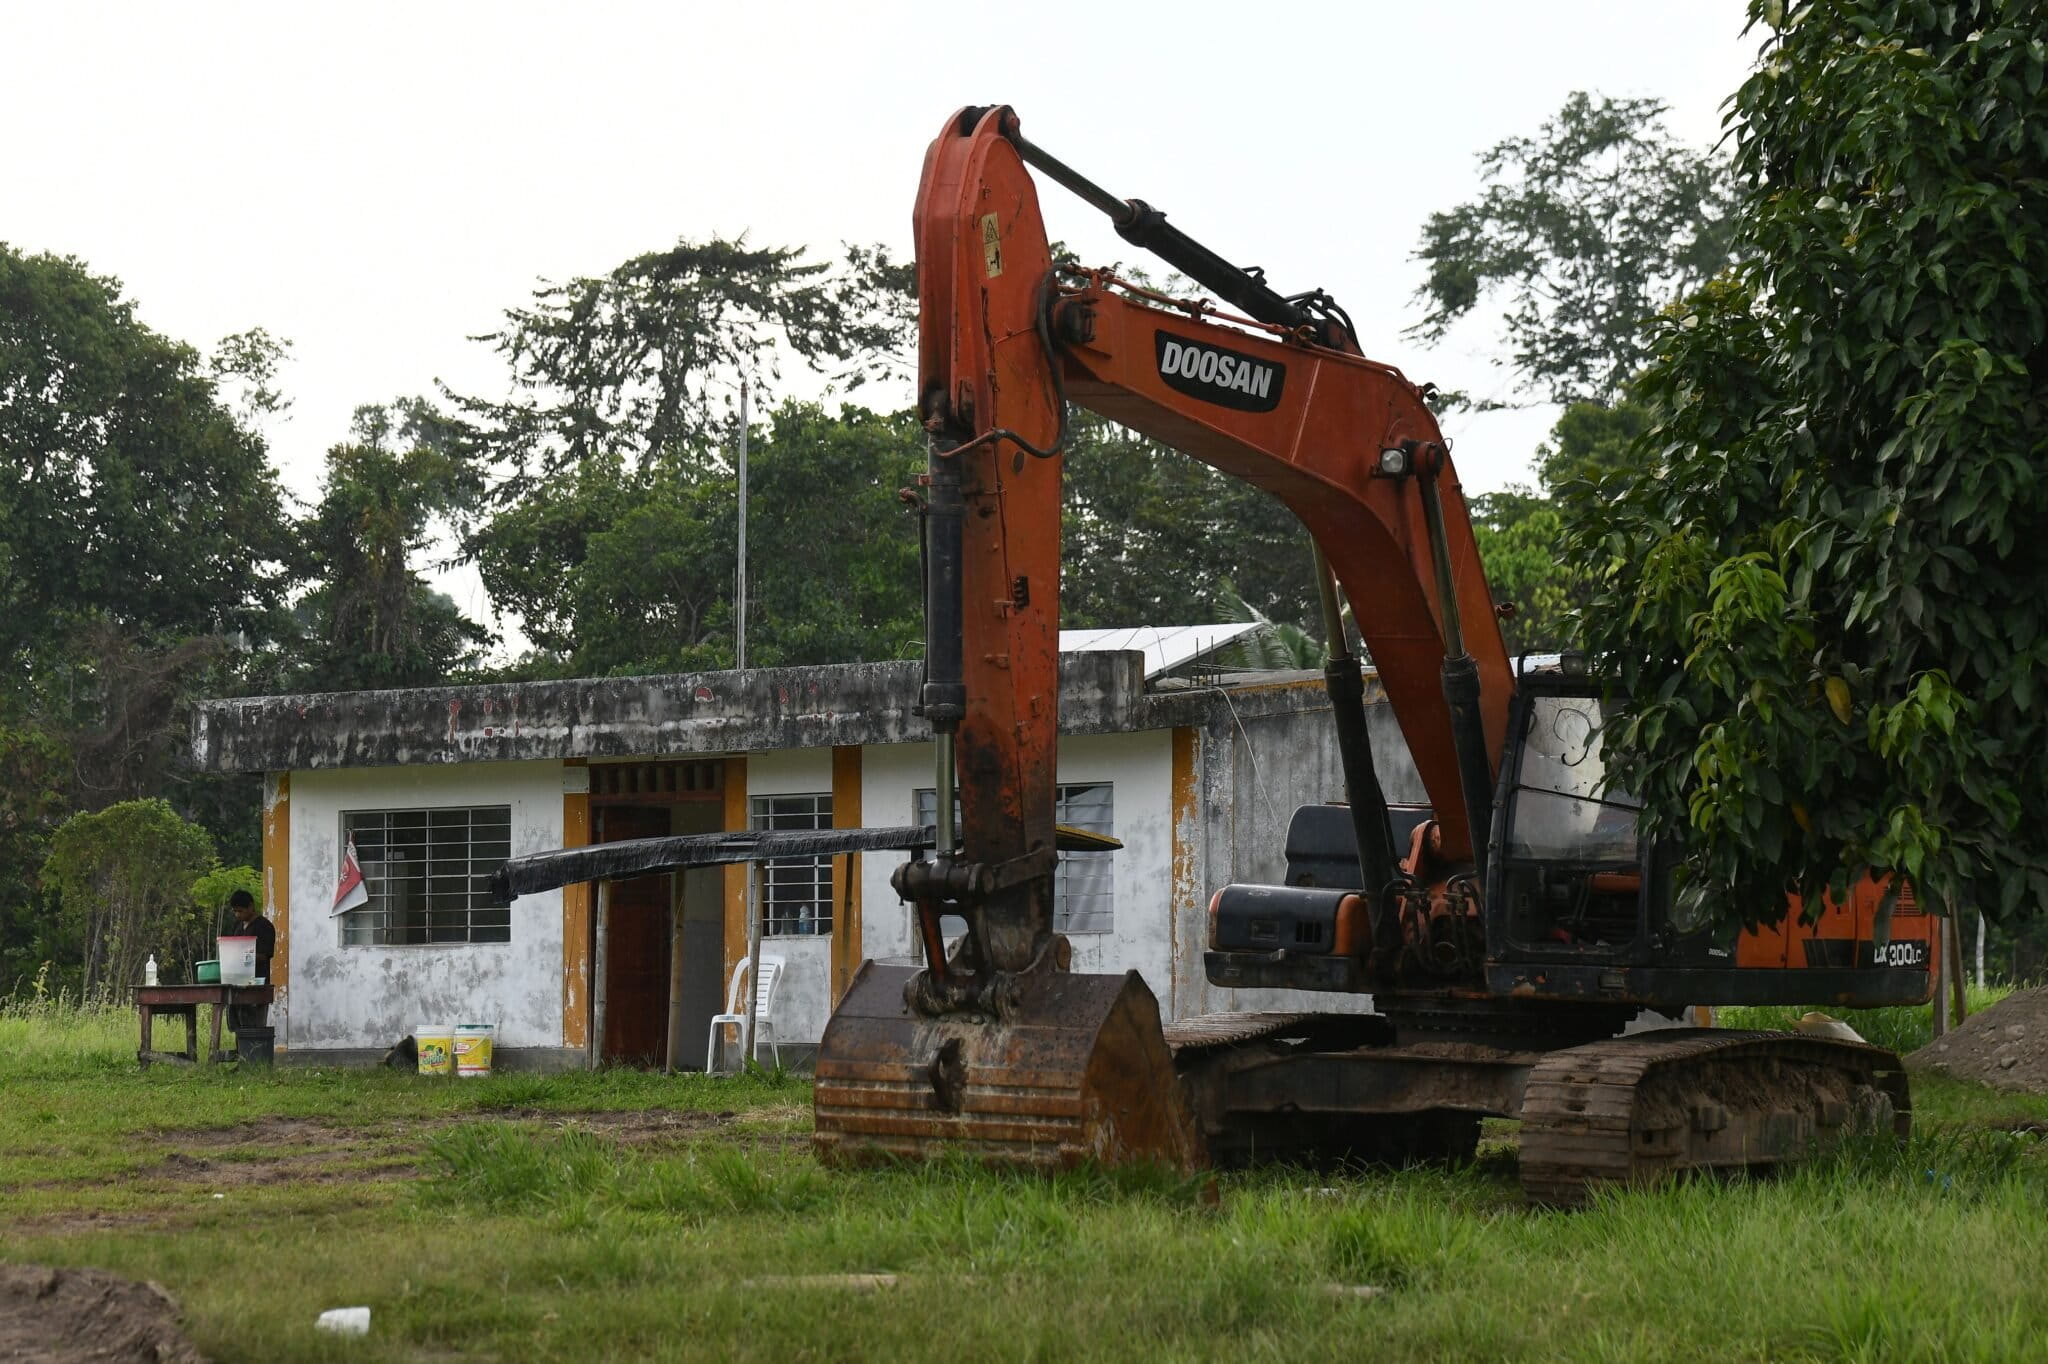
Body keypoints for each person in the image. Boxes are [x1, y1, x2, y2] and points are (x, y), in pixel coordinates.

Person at [225, 889, 275, 1044]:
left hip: (258, 983)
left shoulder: (264, 926)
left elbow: (265, 954)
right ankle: (241, 1056)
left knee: (255, 1025)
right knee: (237, 1023)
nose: (238, 915)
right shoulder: (238, 926)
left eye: (240, 911)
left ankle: (254, 1056)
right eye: (235, 912)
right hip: (238, 982)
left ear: (251, 907)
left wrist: (246, 956)